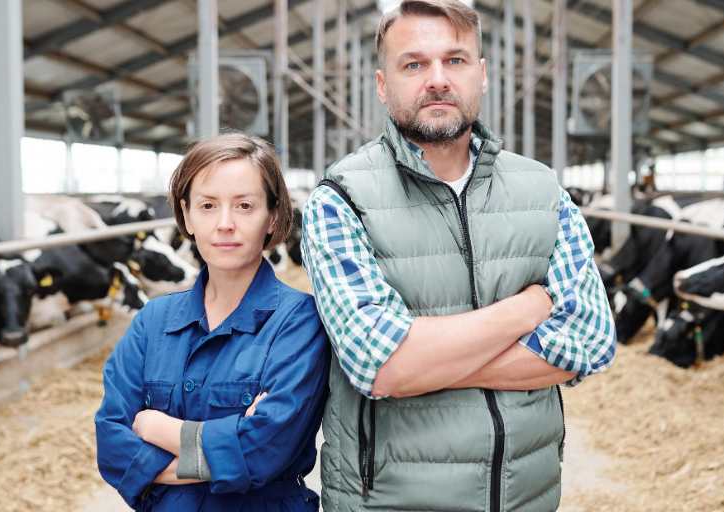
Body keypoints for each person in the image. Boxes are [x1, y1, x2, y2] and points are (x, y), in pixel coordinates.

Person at [300, 1, 617, 511]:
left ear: (482, 75)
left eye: (455, 60)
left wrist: (424, 365)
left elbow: (590, 343)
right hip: (389, 501)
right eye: (414, 64)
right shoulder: (341, 199)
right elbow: (379, 365)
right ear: (383, 85)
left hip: (525, 495)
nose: (437, 80)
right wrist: (526, 309)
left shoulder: (543, 190)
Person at [95, 133, 329, 511]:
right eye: (207, 206)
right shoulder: (152, 321)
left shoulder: (299, 322)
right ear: (186, 215)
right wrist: (226, 448)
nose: (224, 224)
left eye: (244, 206)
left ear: (272, 216)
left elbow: (263, 452)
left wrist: (157, 428)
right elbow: (111, 448)